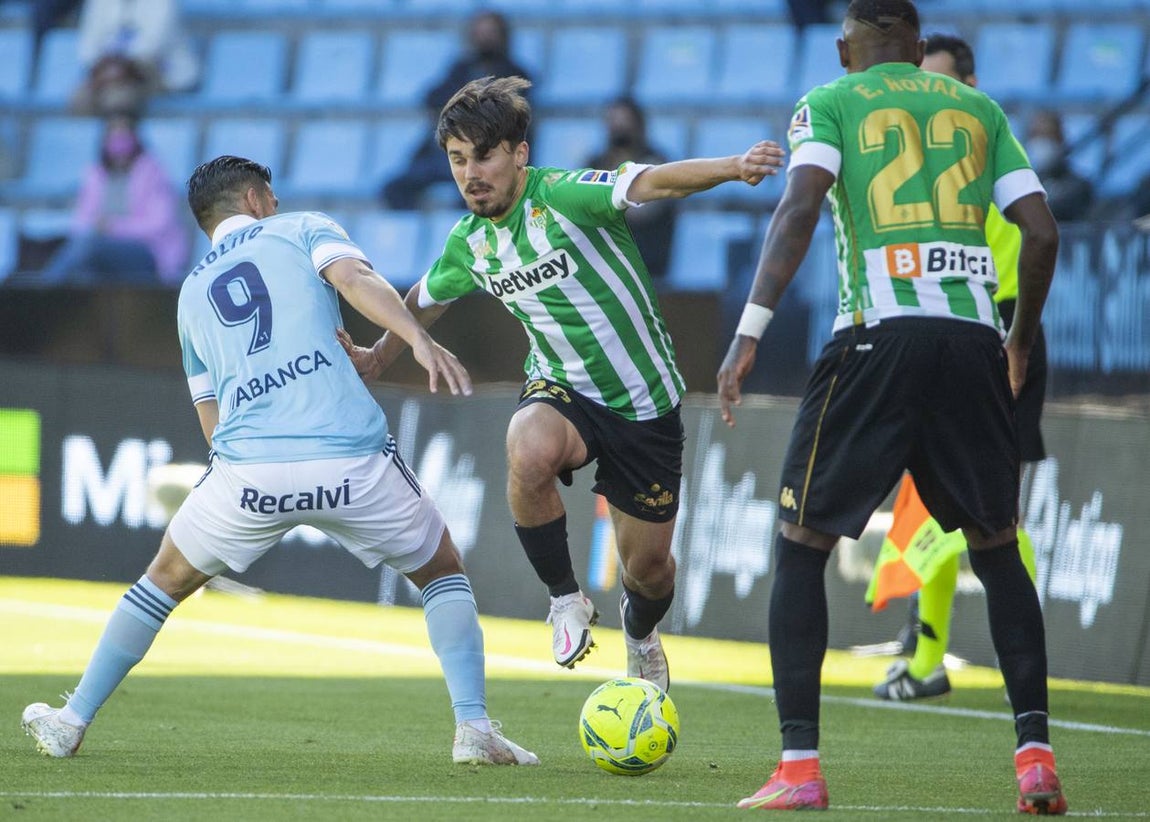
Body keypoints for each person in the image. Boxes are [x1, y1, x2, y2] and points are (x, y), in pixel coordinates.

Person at [21, 155, 539, 768]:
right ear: (257, 196)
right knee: (442, 571)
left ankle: (73, 718)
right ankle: (473, 729)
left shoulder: (190, 293)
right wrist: (415, 335)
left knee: (161, 581)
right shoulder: (300, 228)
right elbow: (353, 280)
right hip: (348, 459)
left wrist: (234, 476)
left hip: (248, 472)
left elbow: (207, 406)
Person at [716, 1, 1066, 814]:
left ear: (847, 50)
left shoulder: (830, 102)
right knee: (997, 545)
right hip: (974, 344)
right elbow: (1041, 234)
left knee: (801, 544)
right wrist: (1016, 341)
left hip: (874, 339)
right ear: (916, 46)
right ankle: (1035, 760)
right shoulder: (980, 109)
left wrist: (748, 333)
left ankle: (799, 772)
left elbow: (800, 206)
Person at [345, 76, 784, 693]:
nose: (472, 173)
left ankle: (640, 635)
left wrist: (735, 166)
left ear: (519, 154)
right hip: (560, 388)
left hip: (644, 404)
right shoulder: (469, 244)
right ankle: (564, 599)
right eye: (458, 159)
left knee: (651, 573)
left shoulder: (567, 195)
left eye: (485, 155)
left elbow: (650, 182)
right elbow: (425, 298)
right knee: (527, 448)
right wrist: (380, 355)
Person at [868, 32, 1047, 703]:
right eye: (922, 81)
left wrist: (1017, 335)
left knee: (995, 513)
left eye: (941, 81)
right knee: (937, 503)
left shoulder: (992, 143)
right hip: (945, 332)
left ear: (969, 81)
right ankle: (927, 658)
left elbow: (1039, 233)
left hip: (998, 327)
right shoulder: (929, 152)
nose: (929, 95)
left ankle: (1017, 655)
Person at [380, 10, 531, 210]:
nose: (485, 38)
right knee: (394, 189)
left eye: (490, 32)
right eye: (480, 32)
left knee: (477, 198)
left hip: (485, 156)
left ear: (503, 36)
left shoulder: (515, 73)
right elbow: (432, 97)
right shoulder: (461, 69)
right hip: (446, 155)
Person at [39, 114, 189, 286]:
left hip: (148, 253)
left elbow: (159, 224)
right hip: (102, 251)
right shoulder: (95, 174)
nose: (119, 143)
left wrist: (113, 227)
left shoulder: (153, 172)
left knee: (88, 248)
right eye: (114, 136)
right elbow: (80, 221)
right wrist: (97, 226)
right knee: (84, 270)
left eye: (124, 136)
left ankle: (43, 290)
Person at [583, 97, 678, 281]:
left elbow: (640, 210)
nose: (620, 131)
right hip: (602, 262)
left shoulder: (657, 164)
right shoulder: (595, 164)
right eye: (614, 123)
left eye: (626, 124)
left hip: (646, 261)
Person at [71, 0, 199, 116]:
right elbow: (87, 48)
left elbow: (151, 46)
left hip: (159, 70)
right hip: (108, 69)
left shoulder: (163, 3)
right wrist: (107, 67)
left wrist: (118, 66)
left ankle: (121, 138)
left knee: (118, 98)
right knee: (81, 99)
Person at [1024, 110, 1093, 223]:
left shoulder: (1078, 186)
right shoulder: (1024, 182)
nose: (1041, 142)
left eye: (1047, 135)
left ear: (1061, 139)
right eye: (1035, 135)